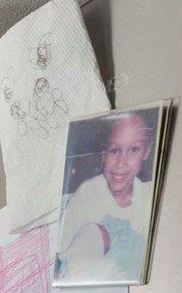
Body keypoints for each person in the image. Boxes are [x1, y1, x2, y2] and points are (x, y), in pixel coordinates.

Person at [57, 110, 155, 283]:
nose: (121, 163)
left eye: (134, 149)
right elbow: (63, 259)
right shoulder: (86, 196)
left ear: (147, 152)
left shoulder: (148, 200)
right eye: (114, 150)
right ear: (103, 153)